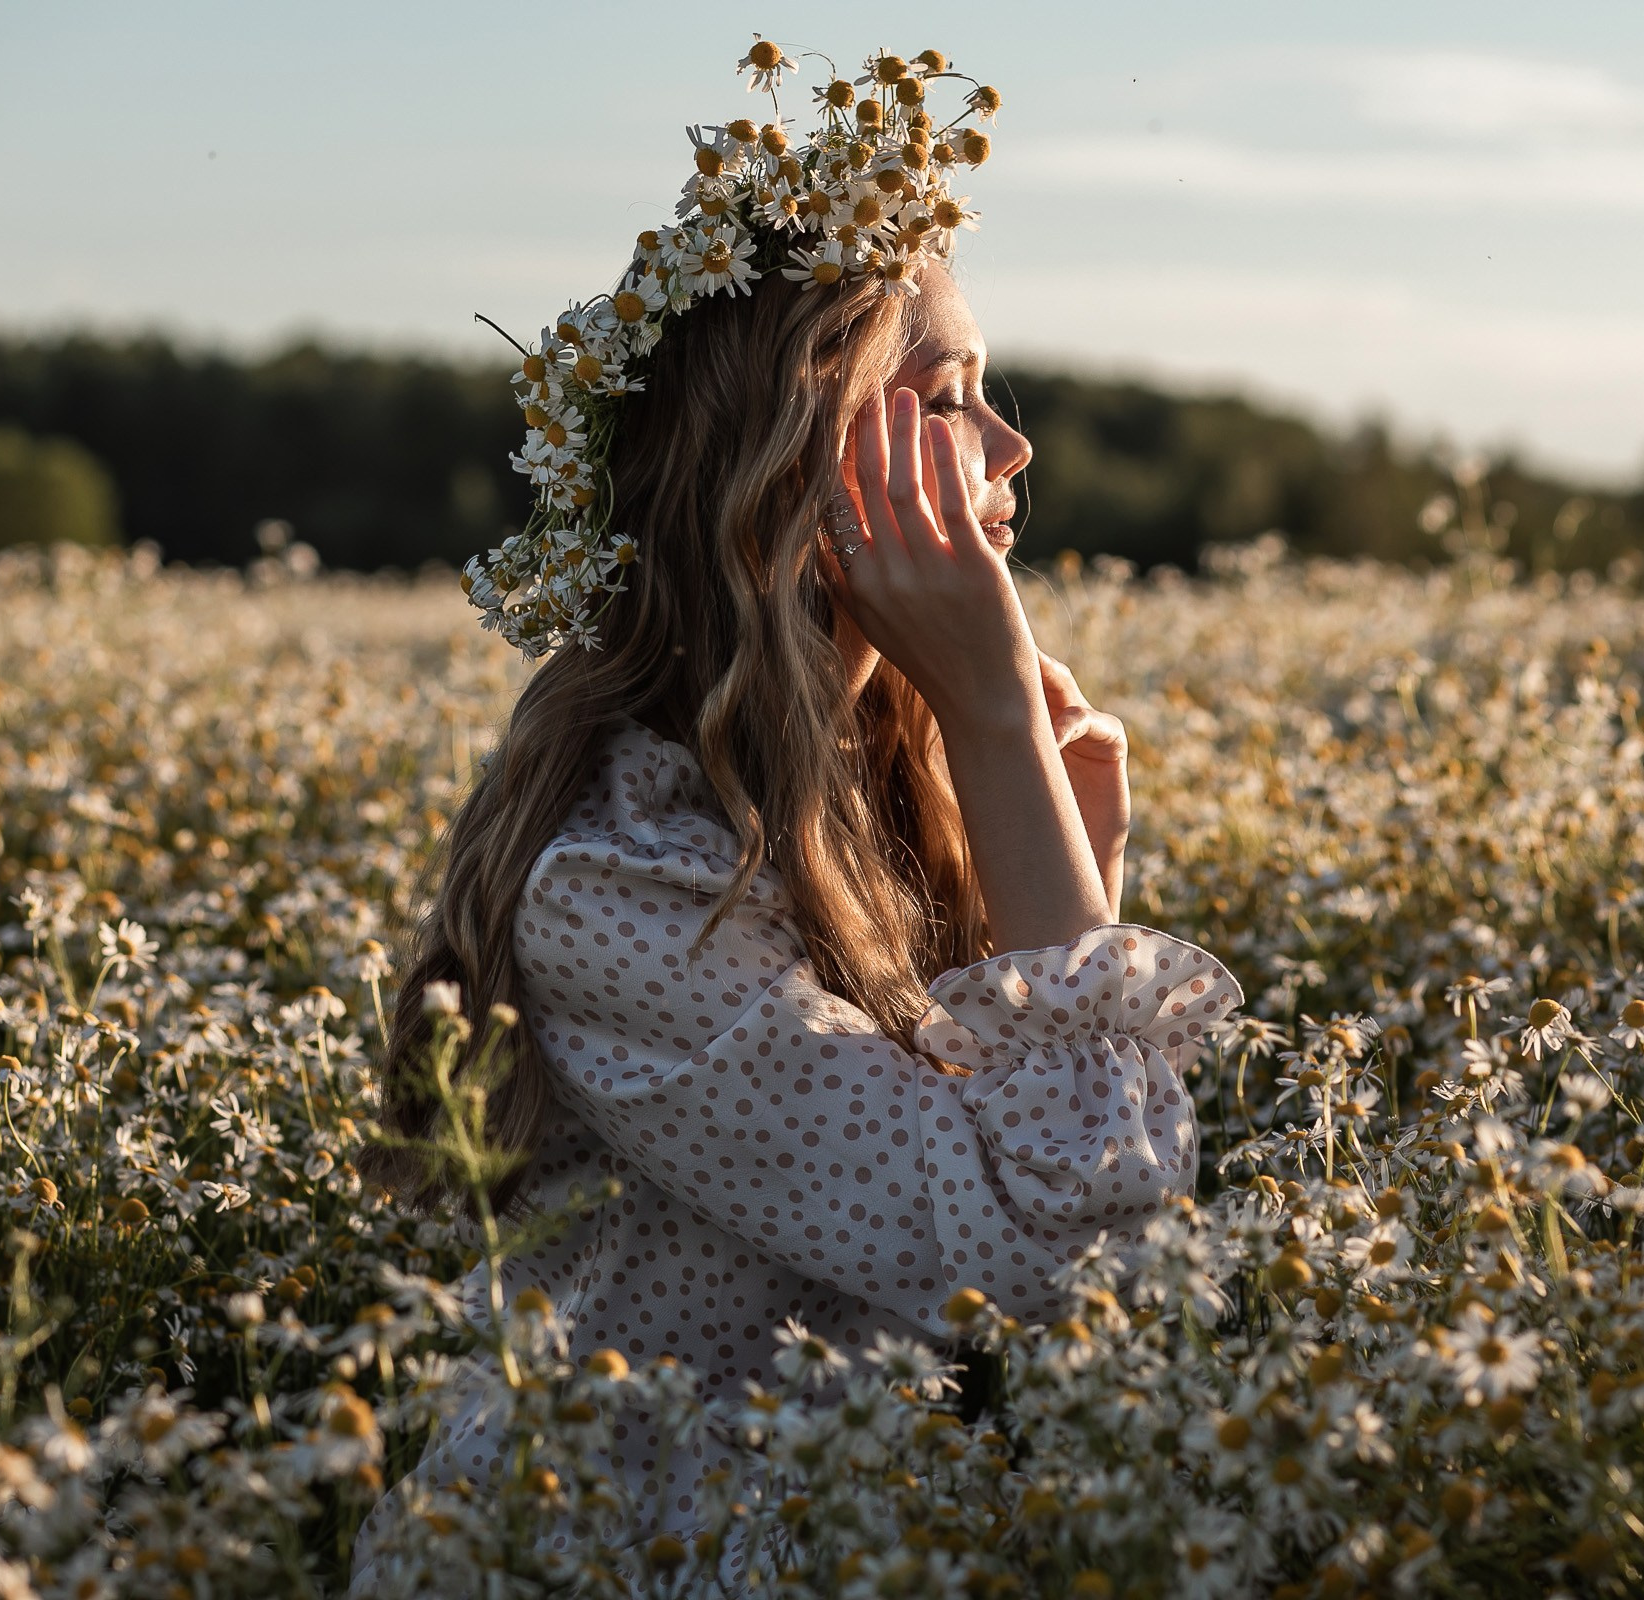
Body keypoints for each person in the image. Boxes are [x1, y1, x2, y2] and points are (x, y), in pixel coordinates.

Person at [357, 40, 1241, 1552]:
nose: (1014, 448)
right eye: (946, 402)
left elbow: (1094, 1279)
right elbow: (1066, 1264)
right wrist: (997, 732)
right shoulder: (624, 891)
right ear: (796, 468)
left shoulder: (889, 801)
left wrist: (1052, 850)